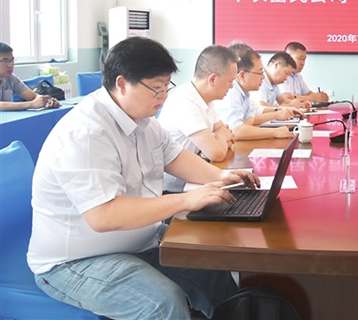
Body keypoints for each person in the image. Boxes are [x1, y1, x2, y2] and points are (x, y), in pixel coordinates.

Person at [27, 37, 260, 319]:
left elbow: (175, 157)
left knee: (210, 264)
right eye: (156, 88)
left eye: (167, 87)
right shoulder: (86, 133)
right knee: (163, 304)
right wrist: (187, 199)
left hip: (138, 240)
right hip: (76, 260)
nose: (163, 97)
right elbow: (104, 215)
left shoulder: (144, 122)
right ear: (122, 83)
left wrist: (223, 176)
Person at [158, 45, 237, 193]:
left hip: (196, 179)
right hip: (174, 190)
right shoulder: (184, 100)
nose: (232, 86)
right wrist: (220, 137)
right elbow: (216, 153)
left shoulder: (206, 99)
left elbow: (224, 132)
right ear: (213, 79)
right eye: (230, 81)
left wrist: (219, 137)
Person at [216, 49, 298, 140]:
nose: (263, 77)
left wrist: (244, 127)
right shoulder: (232, 92)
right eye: (260, 73)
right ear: (243, 75)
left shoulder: (244, 93)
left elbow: (250, 120)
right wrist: (274, 132)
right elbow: (237, 131)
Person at [0, 42, 60, 111]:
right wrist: (31, 104)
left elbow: (34, 96)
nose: (10, 65)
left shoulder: (11, 78)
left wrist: (47, 101)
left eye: (12, 60)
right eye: (5, 61)